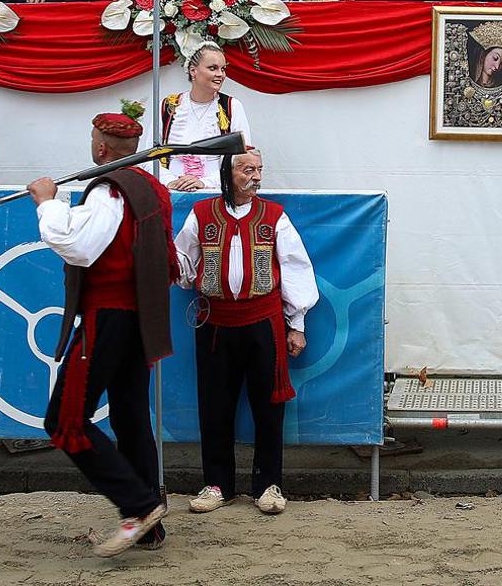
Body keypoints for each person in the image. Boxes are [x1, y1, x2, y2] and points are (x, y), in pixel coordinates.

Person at [32, 104, 176, 557]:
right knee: (130, 416)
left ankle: (138, 505)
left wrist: (48, 202)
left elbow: (78, 247)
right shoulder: (155, 188)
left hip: (108, 317)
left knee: (65, 422)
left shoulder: (108, 191)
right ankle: (150, 528)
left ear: (99, 147)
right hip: (139, 319)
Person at [176, 146, 318, 516]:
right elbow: (183, 259)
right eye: (247, 170)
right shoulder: (200, 214)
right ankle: (216, 485)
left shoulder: (274, 217)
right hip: (215, 325)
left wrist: (297, 325)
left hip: (263, 324)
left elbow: (295, 269)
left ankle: (268, 485)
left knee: (269, 406)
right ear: (228, 173)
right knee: (214, 405)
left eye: (259, 170)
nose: (256, 177)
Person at [156, 43, 254, 193]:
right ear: (193, 71)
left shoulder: (232, 106)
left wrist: (204, 183)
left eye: (223, 69)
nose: (220, 74)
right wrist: (171, 181)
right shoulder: (167, 106)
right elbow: (149, 155)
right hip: (171, 190)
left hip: (216, 190)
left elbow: (242, 158)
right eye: (213, 68)